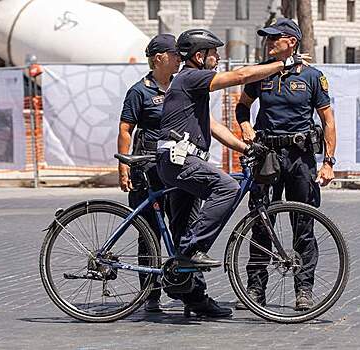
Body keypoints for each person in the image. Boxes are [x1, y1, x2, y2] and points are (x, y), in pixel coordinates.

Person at [156, 28, 304, 318]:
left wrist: (243, 147)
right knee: (227, 188)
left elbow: (213, 126)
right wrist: (284, 65)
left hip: (182, 160)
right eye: (213, 53)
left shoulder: (190, 86)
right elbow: (239, 77)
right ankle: (191, 253)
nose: (218, 58)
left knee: (186, 226)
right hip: (179, 160)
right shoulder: (191, 77)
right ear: (200, 57)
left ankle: (186, 285)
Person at [233, 18, 337, 311]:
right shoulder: (260, 74)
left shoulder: (313, 77)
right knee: (261, 223)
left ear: (291, 41)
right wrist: (245, 127)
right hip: (267, 155)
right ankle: (255, 289)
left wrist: (328, 162)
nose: (268, 42)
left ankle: (303, 290)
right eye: (267, 38)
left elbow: (328, 120)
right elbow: (242, 107)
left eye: (274, 38)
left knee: (303, 225)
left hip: (300, 159)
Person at [117, 34, 200, 313]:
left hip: (178, 165)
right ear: (158, 58)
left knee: (184, 228)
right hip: (147, 168)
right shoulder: (139, 91)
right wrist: (123, 166)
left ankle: (188, 293)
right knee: (149, 232)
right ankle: (150, 294)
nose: (179, 59)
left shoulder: (181, 86)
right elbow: (125, 129)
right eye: (174, 54)